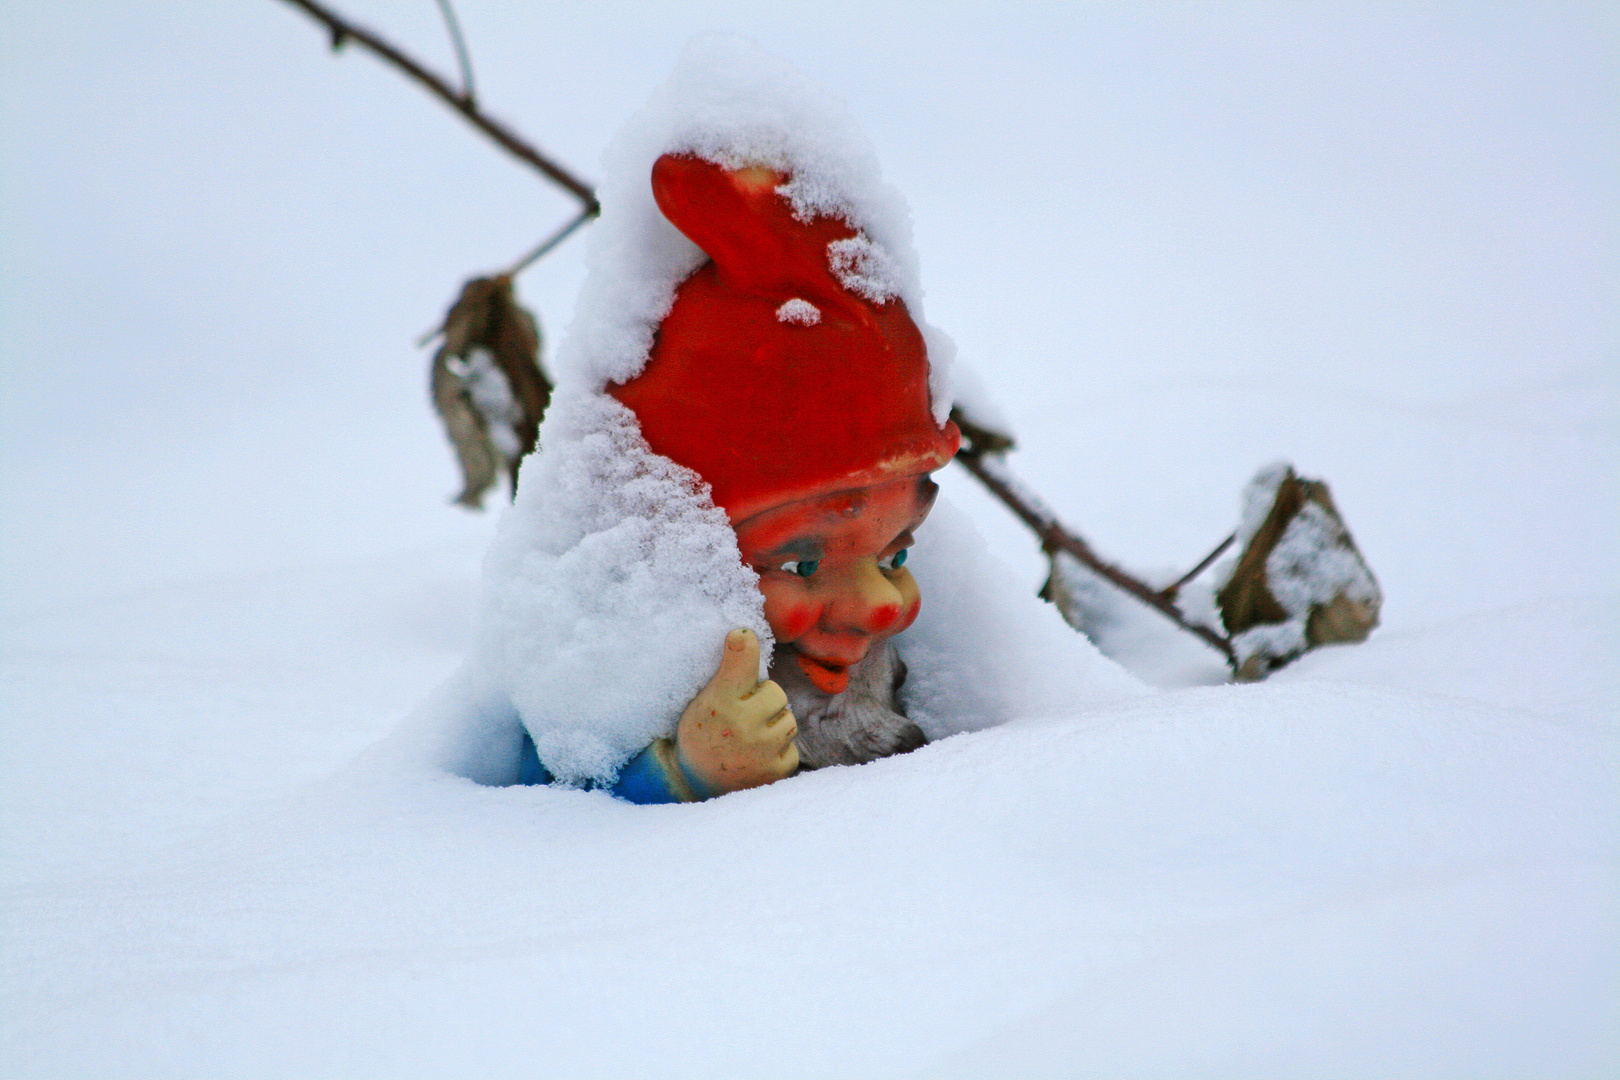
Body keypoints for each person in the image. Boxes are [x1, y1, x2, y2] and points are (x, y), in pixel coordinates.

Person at [515, 153, 960, 803]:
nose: (883, 604)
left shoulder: (865, 656)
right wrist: (682, 772)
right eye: (803, 564)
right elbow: (542, 799)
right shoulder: (617, 661)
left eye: (894, 552)